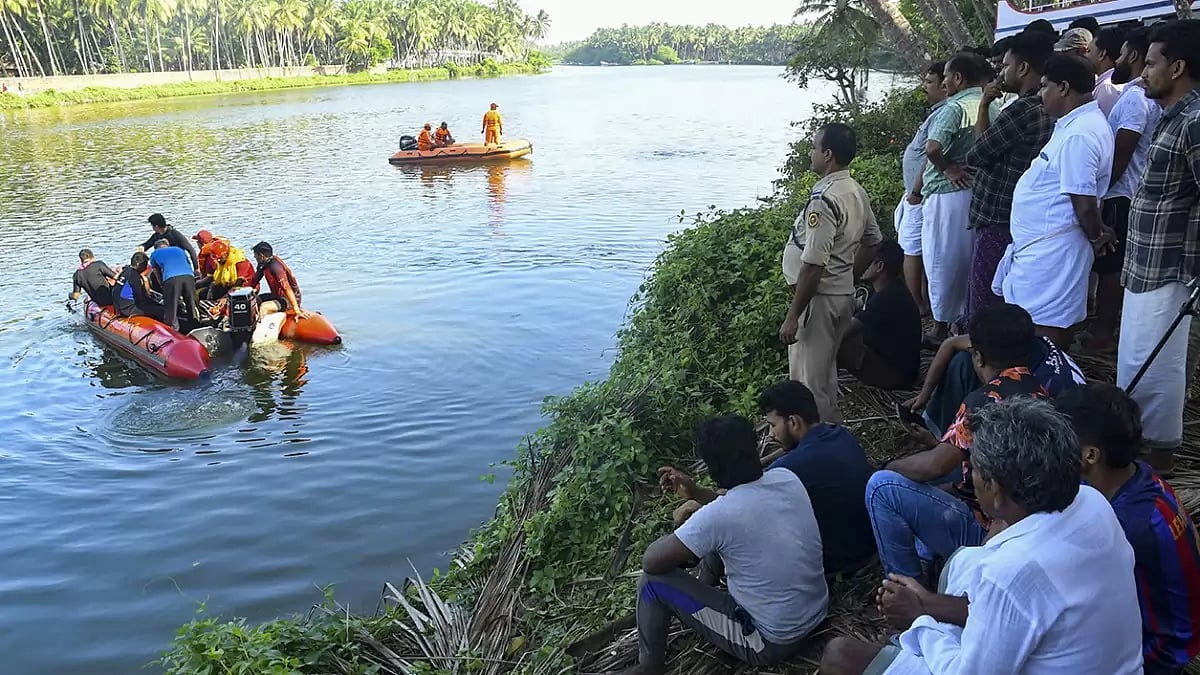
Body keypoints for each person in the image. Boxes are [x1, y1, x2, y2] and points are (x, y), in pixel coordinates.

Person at [824, 397, 1144, 675]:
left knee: (840, 657)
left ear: (996, 489)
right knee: (962, 563)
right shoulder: (1092, 502)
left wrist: (920, 618)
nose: (969, 476)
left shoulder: (1012, 572)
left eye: (973, 467)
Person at [624, 415, 827, 674]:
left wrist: (686, 530)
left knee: (651, 583)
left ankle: (649, 665)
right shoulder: (786, 478)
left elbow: (651, 561)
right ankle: (701, 598)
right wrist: (696, 493)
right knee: (722, 543)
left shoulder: (720, 516)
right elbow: (741, 504)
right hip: (816, 610)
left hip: (770, 640)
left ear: (712, 467)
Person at [866, 302, 1048, 579]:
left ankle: (904, 587)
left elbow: (933, 466)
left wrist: (889, 466)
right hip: (1030, 527)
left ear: (978, 357)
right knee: (943, 484)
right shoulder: (1042, 393)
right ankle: (929, 556)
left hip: (990, 532)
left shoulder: (985, 401)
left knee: (881, 487)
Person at [1057, 383, 1200, 674]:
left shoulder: (1121, 526)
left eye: (1060, 440)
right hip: (1175, 626)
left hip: (1160, 651)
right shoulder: (1139, 475)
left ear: (1091, 455)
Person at [1118, 19, 1200, 476]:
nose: (1142, 72)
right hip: (1144, 264)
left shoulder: (1195, 122)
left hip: (1169, 269)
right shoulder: (1173, 118)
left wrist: (1191, 270)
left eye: (1150, 63)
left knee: (1160, 368)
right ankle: (1137, 454)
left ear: (1178, 67)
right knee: (1136, 361)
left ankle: (1160, 463)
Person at [996, 54, 1113, 349]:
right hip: (1041, 247)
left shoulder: (1081, 135)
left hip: (1053, 251)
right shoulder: (1072, 125)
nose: (1039, 93)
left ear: (1064, 87)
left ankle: (1047, 383)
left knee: (1047, 325)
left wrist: (1097, 235)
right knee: (1034, 320)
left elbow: (1084, 202)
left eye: (1045, 86)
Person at [779, 123, 882, 423]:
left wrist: (793, 315)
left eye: (813, 148)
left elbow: (813, 264)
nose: (810, 153)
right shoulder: (855, 190)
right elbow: (873, 240)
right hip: (841, 296)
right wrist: (848, 277)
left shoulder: (824, 200)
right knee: (825, 376)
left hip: (819, 302)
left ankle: (823, 447)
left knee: (809, 385)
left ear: (828, 154)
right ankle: (831, 438)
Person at [965, 31, 1055, 323]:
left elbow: (977, 154)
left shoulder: (1021, 110)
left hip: (997, 215)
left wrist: (982, 105)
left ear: (1023, 67)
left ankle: (979, 355)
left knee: (983, 298)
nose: (1000, 73)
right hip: (1018, 216)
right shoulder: (1046, 107)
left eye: (1004, 66)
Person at [1087, 27, 1162, 354]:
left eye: (1122, 53)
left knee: (1110, 268)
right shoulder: (1145, 95)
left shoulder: (1135, 97)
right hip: (1132, 191)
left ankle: (1103, 334)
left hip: (1121, 193)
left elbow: (1122, 150)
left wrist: (1100, 191)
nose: (1116, 60)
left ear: (1133, 56)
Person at [904, 307, 1084, 439]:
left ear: (980, 357)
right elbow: (951, 344)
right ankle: (937, 429)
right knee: (962, 362)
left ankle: (948, 446)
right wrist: (924, 395)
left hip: (1040, 451)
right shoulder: (1020, 342)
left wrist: (939, 452)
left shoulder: (1039, 393)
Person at [758, 381, 877, 574]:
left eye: (773, 425)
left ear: (794, 422)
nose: (771, 433)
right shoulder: (841, 435)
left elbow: (742, 501)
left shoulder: (789, 468)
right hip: (871, 539)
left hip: (843, 560)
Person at [921, 52, 992, 341]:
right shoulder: (989, 104)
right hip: (973, 191)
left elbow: (932, 147)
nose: (945, 81)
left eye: (947, 76)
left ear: (958, 78)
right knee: (965, 258)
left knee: (940, 260)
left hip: (945, 194)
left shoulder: (954, 108)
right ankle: (959, 321)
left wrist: (947, 168)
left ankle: (940, 327)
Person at [896, 61, 947, 316]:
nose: (924, 87)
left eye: (929, 82)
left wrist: (916, 191)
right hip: (918, 192)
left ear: (945, 85)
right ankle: (924, 301)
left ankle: (917, 305)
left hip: (921, 194)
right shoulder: (939, 110)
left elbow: (932, 153)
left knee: (912, 248)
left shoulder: (945, 112)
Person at [838, 241, 922, 390]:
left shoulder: (887, 298)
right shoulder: (886, 288)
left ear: (880, 266)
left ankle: (822, 390)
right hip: (891, 362)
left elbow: (844, 330)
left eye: (866, 261)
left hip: (897, 376)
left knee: (836, 344)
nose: (859, 264)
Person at [149, 240, 198, 331]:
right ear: (167, 245)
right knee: (191, 303)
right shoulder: (179, 249)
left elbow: (156, 272)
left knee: (171, 306)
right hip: (189, 276)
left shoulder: (155, 254)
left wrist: (162, 284)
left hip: (172, 278)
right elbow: (187, 263)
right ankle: (194, 326)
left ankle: (174, 329)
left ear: (156, 248)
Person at [250, 241, 304, 316]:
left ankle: (264, 326)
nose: (254, 257)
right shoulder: (264, 265)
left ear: (261, 256)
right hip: (276, 296)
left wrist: (296, 309)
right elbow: (254, 281)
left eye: (255, 255)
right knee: (253, 300)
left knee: (264, 307)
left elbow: (286, 288)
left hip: (288, 299)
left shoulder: (275, 267)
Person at [1088, 26, 1129, 115]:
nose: (1085, 56)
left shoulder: (1107, 89)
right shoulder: (1108, 85)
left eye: (1089, 51)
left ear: (1102, 54)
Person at [113, 252, 165, 321]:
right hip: (128, 309)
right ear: (140, 265)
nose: (146, 267)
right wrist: (155, 302)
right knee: (160, 310)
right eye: (145, 264)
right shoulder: (134, 277)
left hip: (118, 306)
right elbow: (141, 298)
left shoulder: (126, 271)